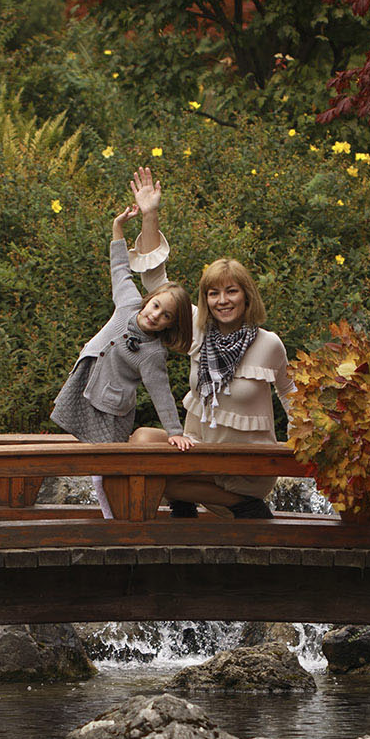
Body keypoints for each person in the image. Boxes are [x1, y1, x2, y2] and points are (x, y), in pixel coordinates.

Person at [124, 168, 292, 519]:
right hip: (198, 453)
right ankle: (194, 500)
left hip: (246, 466)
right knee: (139, 445)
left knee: (151, 479)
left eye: (231, 291)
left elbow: (292, 397)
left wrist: (307, 443)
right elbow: (157, 281)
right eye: (213, 293)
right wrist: (150, 215)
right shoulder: (200, 332)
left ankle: (236, 502)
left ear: (247, 296)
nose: (222, 300)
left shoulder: (269, 343)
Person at [48, 184, 196, 517]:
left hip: (112, 408)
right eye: (156, 305)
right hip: (87, 384)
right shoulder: (128, 302)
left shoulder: (153, 353)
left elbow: (161, 393)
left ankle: (114, 515)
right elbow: (119, 268)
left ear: (169, 325)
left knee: (105, 465)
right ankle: (116, 511)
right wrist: (118, 228)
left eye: (165, 316)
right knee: (88, 457)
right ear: (148, 300)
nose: (155, 315)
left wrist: (175, 432)